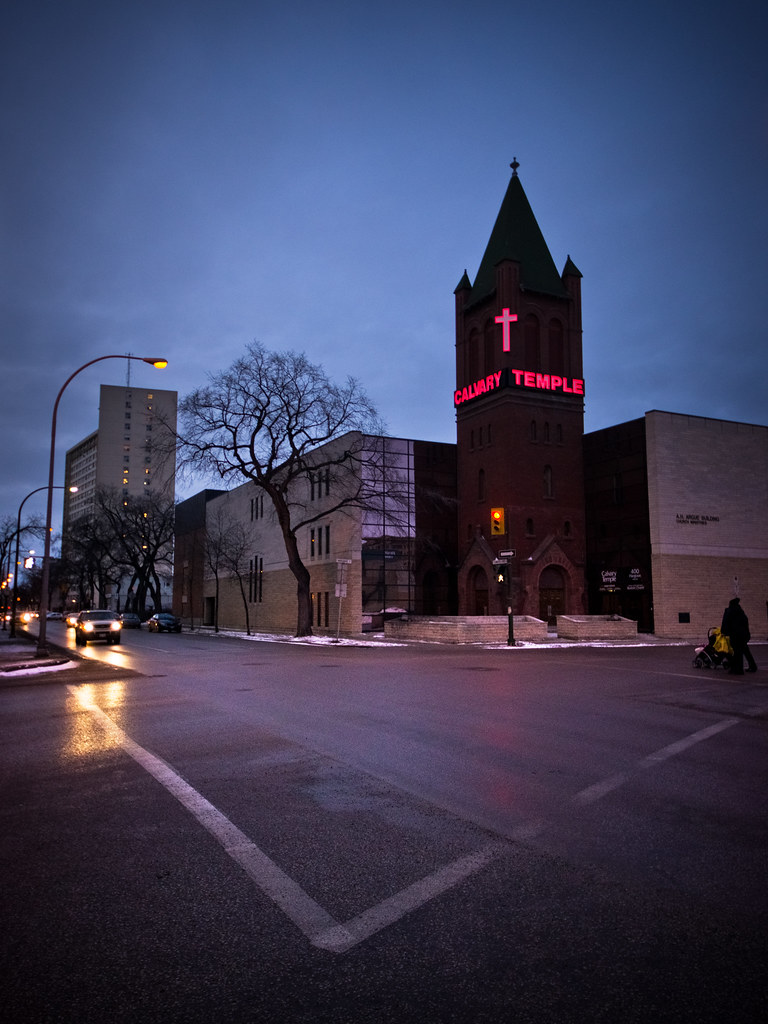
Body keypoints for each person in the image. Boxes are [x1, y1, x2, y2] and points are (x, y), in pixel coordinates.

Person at [720, 597, 757, 675]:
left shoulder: (729, 611)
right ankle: (752, 666)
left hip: (734, 635)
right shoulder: (741, 612)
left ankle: (737, 669)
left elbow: (725, 623)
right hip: (743, 635)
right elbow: (746, 624)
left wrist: (724, 632)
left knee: (736, 653)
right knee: (745, 651)